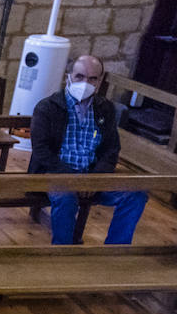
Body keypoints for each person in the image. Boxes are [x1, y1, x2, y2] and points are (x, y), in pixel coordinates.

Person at [29, 54, 148, 245]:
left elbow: (111, 149)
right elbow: (41, 150)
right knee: (66, 199)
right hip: (57, 173)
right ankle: (62, 251)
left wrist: (94, 179)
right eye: (80, 76)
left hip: (92, 176)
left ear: (100, 81)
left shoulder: (105, 109)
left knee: (135, 195)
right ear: (68, 77)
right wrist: (74, 179)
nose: (86, 82)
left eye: (93, 78)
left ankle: (114, 249)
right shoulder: (48, 107)